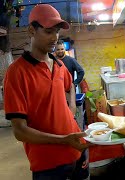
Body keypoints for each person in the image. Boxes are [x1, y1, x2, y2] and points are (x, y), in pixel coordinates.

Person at [3, 4, 90, 180]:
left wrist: (71, 109)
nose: (55, 37)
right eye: (48, 31)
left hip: (77, 150)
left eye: (57, 31)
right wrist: (64, 140)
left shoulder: (58, 65)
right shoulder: (17, 73)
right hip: (48, 164)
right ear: (31, 30)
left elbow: (70, 86)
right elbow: (20, 131)